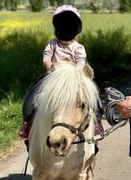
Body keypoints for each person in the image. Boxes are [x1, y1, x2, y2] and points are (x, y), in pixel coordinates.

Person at [19, 5, 103, 139]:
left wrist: (76, 71)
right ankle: (27, 123)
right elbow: (46, 59)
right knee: (33, 94)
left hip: (73, 78)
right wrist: (51, 67)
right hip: (54, 76)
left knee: (94, 96)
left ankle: (97, 122)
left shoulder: (78, 47)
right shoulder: (52, 44)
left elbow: (81, 62)